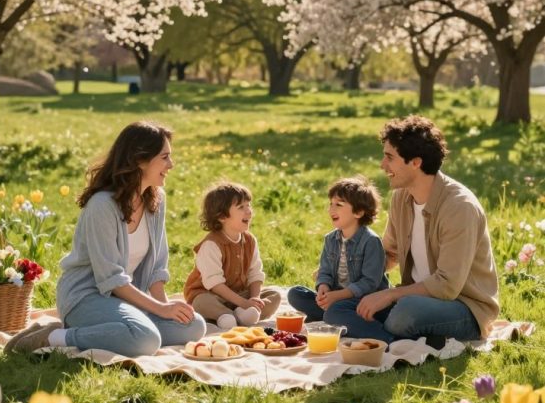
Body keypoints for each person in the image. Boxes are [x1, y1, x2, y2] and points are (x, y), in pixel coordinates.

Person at [5, 121, 206, 356]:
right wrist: (160, 310)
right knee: (146, 339)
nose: (171, 164)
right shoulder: (102, 205)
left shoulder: (156, 199)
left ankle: (117, 332)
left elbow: (156, 267)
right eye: (164, 157)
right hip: (86, 298)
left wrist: (166, 307)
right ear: (140, 160)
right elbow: (111, 279)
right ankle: (54, 336)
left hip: (126, 299)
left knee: (194, 325)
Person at [343, 115, 499, 347]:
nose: (382, 165)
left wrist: (389, 295)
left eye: (389, 157)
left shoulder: (459, 207)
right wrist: (345, 273)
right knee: (334, 307)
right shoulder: (401, 197)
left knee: (405, 313)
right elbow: (390, 253)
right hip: (413, 297)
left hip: (464, 307)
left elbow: (447, 285)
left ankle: (380, 334)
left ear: (416, 162)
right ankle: (396, 334)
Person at [287, 176, 389, 327]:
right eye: (331, 204)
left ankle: (380, 333)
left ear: (358, 212)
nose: (331, 209)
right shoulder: (330, 239)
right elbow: (325, 270)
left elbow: (369, 282)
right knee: (295, 294)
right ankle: (334, 316)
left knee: (336, 311)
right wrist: (323, 287)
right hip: (337, 298)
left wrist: (339, 296)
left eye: (339, 205)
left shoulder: (371, 241)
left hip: (364, 301)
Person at [183, 181, 281, 330]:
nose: (249, 211)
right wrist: (244, 304)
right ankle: (227, 315)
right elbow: (215, 285)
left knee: (274, 295)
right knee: (200, 302)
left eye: (249, 205)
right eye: (241, 207)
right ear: (222, 216)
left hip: (240, 295)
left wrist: (254, 299)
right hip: (211, 295)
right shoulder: (211, 245)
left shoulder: (250, 240)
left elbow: (255, 274)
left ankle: (238, 315)